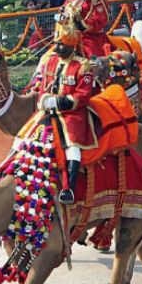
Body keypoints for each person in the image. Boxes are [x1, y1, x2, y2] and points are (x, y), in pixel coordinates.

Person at [35, 22, 96, 204]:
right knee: (25, 134)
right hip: (48, 110)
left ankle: (69, 188)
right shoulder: (51, 61)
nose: (57, 47)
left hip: (72, 114)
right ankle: (1, 170)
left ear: (72, 46)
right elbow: (44, 86)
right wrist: (43, 100)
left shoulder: (83, 66)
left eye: (62, 44)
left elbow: (82, 96)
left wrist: (57, 101)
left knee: (72, 146)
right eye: (57, 43)